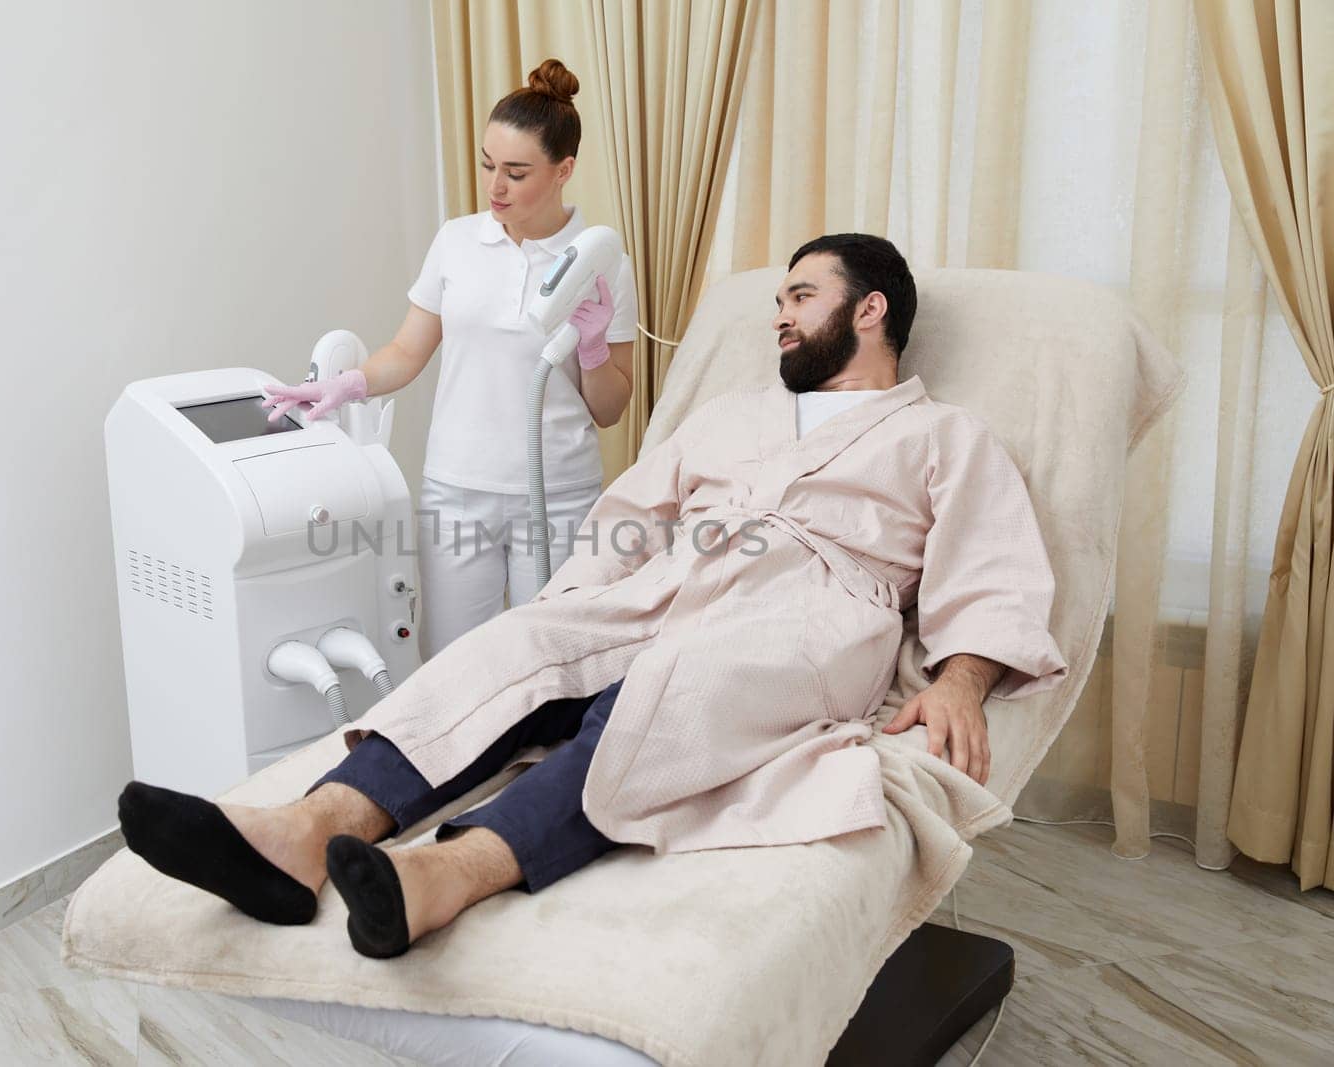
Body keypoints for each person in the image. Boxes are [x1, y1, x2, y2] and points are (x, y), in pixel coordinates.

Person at [119, 233, 1068, 959]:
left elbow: (991, 568)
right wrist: (566, 613)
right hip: (670, 577)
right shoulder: (732, 415)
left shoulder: (945, 437)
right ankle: (304, 830)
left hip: (812, 608)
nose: (779, 315)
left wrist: (962, 680)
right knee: (510, 650)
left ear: (870, 311)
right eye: (775, 298)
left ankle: (446, 874)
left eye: (801, 296)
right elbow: (629, 515)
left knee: (678, 691)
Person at [261, 58, 640, 661]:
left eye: (517, 173)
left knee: (555, 659)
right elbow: (409, 351)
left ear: (564, 169)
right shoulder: (458, 242)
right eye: (488, 165)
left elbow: (613, 409)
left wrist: (592, 347)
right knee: (456, 662)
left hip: (558, 491)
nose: (495, 188)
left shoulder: (600, 261)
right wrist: (347, 384)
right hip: (456, 487)